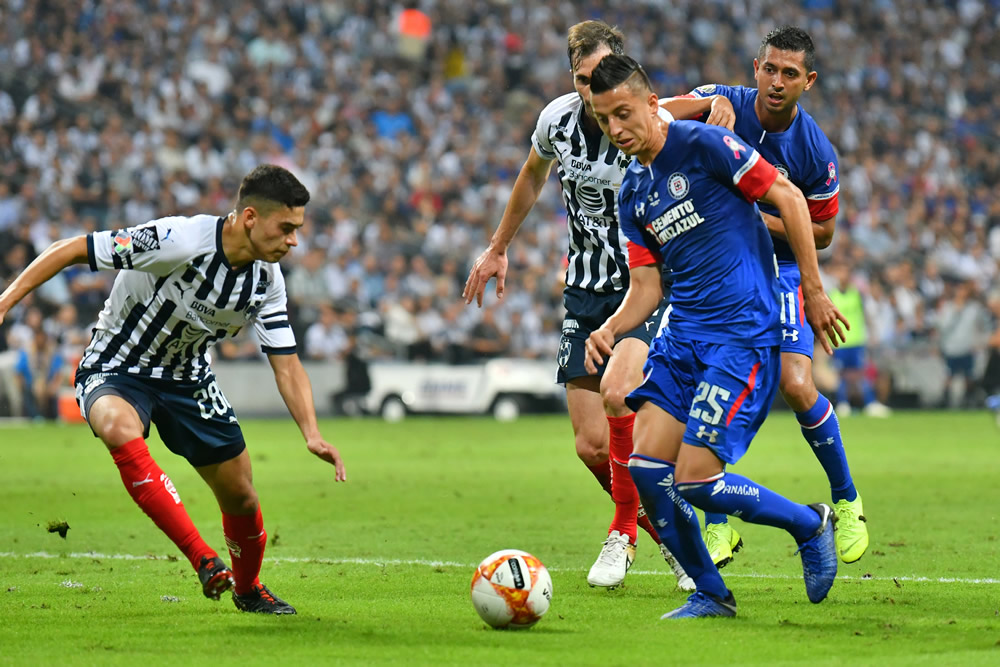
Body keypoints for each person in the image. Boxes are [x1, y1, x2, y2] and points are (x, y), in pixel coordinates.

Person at [0, 164, 346, 615]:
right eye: (286, 228)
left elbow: (287, 362)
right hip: (117, 365)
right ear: (249, 218)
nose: (293, 240)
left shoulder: (266, 281)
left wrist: (311, 432)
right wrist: (5, 300)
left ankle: (247, 589)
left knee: (241, 494)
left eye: (297, 229)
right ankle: (202, 558)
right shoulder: (177, 240)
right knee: (117, 426)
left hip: (188, 379)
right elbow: (70, 250)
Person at [585, 54, 848, 618]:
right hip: (683, 337)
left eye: (624, 113)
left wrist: (814, 288)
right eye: (605, 120)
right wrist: (609, 326)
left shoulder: (702, 145)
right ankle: (712, 593)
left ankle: (811, 522)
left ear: (653, 103)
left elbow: (789, 198)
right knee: (649, 472)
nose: (617, 130)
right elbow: (647, 287)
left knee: (697, 480)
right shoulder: (632, 191)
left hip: (742, 335)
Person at [463, 20, 692, 591]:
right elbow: (532, 173)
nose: (594, 90)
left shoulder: (654, 119)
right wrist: (497, 247)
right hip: (585, 287)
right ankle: (677, 537)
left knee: (619, 397)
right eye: (584, 79)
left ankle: (624, 532)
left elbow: (704, 108)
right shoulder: (556, 121)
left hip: (647, 286)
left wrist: (724, 108)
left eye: (603, 75)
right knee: (591, 446)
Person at [669, 26, 871, 567]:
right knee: (699, 388)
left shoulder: (812, 149)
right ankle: (718, 526)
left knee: (797, 383)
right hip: (716, 270)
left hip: (777, 270)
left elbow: (824, 233)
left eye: (789, 74)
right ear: (755, 67)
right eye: (769, 69)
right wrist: (701, 114)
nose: (776, 82)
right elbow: (654, 112)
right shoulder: (727, 102)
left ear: (808, 81)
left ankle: (847, 499)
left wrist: (755, 215)